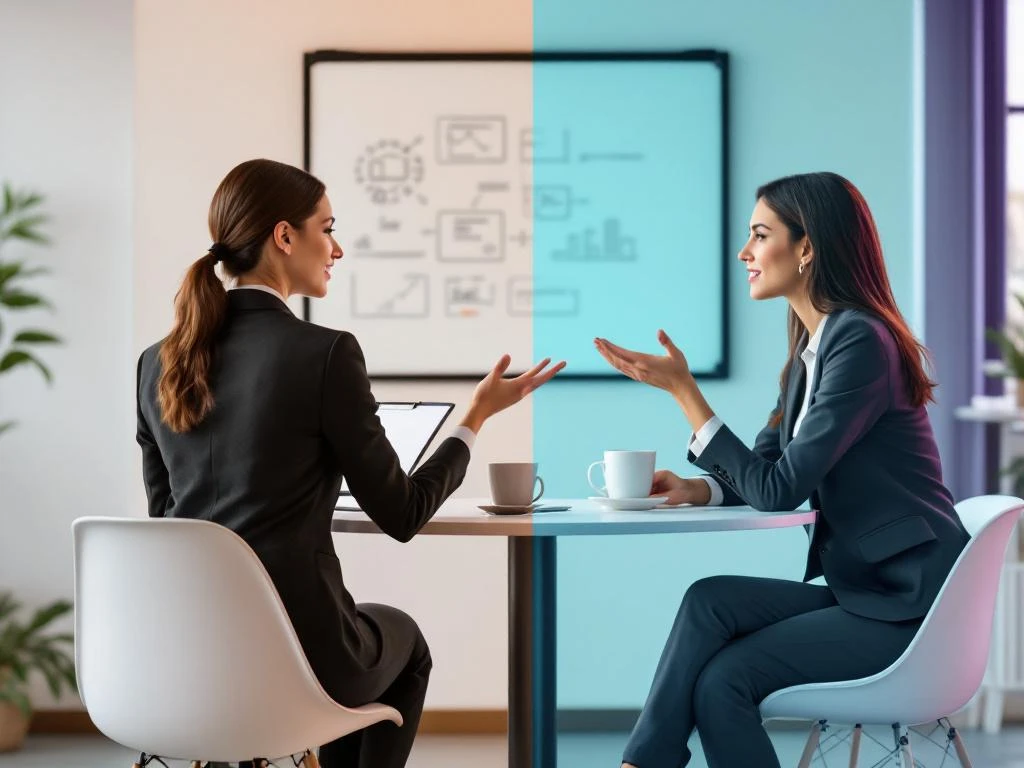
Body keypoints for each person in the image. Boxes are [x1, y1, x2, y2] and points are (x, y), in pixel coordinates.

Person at [135, 158, 565, 768]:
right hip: (299, 658)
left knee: (357, 633)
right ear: (285, 237)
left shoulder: (156, 363)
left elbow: (167, 520)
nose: (336, 249)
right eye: (328, 228)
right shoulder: (325, 353)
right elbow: (402, 513)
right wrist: (475, 418)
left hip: (184, 657)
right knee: (404, 643)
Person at [594, 171, 969, 768]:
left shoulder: (860, 342)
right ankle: (642, 763)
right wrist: (700, 489)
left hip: (910, 606)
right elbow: (771, 468)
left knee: (724, 680)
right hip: (869, 591)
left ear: (806, 246)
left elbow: (777, 491)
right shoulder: (811, 352)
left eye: (760, 235)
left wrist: (686, 393)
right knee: (709, 601)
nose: (745, 252)